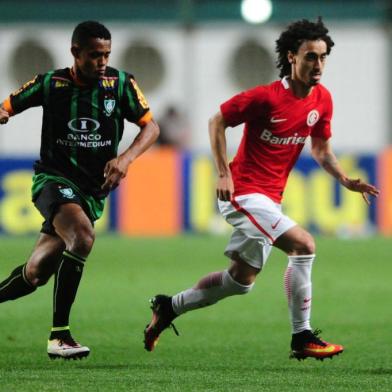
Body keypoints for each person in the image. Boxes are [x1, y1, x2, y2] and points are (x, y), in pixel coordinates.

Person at [143, 18, 379, 360]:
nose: (319, 65)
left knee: (240, 281)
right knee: (304, 245)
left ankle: (168, 307)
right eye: (311, 57)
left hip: (269, 200)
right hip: (242, 194)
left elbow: (321, 149)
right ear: (291, 57)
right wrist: (223, 173)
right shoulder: (265, 98)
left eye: (323, 57)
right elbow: (217, 121)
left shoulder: (322, 100)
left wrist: (345, 179)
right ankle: (302, 337)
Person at [0, 21, 159, 360]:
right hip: (53, 180)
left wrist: (126, 158)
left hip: (91, 192)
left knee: (36, 272)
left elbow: (151, 126)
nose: (102, 62)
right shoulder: (51, 84)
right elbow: (8, 104)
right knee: (82, 238)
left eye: (106, 55)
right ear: (75, 53)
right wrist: (2, 113)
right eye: (94, 55)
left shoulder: (120, 84)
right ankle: (60, 336)